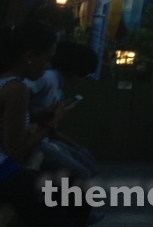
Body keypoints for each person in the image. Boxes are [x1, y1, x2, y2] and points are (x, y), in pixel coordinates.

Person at [0, 22, 82, 227]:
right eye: (46, 59)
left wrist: (40, 117)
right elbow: (16, 151)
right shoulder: (17, 89)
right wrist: (53, 122)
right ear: (29, 56)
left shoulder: (5, 82)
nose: (47, 66)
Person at [26, 42, 100, 180]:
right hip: (34, 143)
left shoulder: (58, 87)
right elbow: (22, 92)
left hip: (44, 138)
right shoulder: (48, 78)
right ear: (75, 71)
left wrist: (76, 147)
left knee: (86, 159)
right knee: (81, 173)